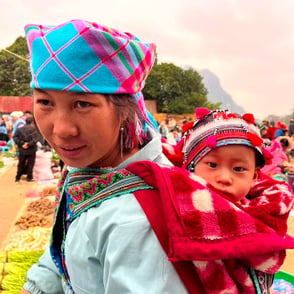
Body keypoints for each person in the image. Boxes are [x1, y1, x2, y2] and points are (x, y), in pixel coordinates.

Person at [22, 19, 294, 294]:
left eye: (82, 104)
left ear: (125, 109)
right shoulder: (91, 170)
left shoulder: (140, 222)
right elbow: (63, 251)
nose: (61, 129)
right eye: (45, 102)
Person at [13, 116, 40, 182]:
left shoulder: (20, 129)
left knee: (21, 163)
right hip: (31, 149)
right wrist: (28, 144)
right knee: (30, 163)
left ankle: (17, 177)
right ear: (32, 122)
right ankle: (29, 178)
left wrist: (21, 143)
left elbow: (15, 137)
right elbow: (36, 139)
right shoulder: (35, 130)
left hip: (22, 149)